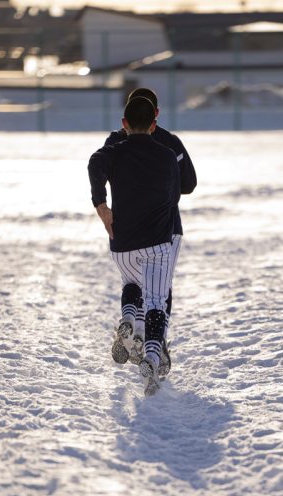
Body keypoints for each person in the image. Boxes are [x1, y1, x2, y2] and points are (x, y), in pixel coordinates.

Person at [88, 96, 180, 397]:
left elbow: (94, 163)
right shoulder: (167, 156)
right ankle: (152, 357)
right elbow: (175, 195)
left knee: (131, 282)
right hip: (157, 244)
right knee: (156, 300)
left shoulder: (113, 153)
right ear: (154, 125)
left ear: (123, 124)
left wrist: (101, 205)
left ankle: (128, 318)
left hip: (123, 243)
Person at [103, 87, 197, 378]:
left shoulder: (116, 141)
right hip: (166, 226)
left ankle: (136, 329)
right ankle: (156, 345)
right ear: (156, 114)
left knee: (134, 281)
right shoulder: (170, 143)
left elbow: (103, 168)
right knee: (160, 288)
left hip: (126, 227)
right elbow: (189, 184)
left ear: (126, 119)